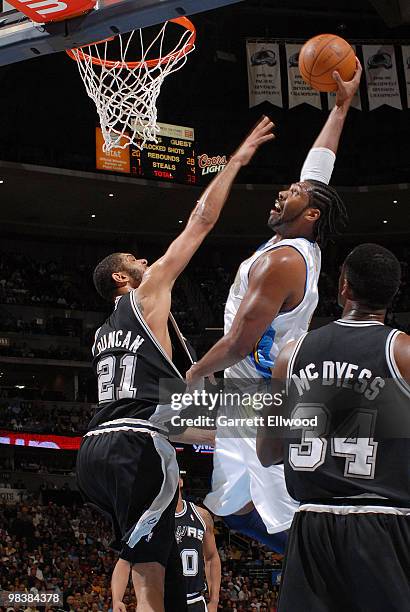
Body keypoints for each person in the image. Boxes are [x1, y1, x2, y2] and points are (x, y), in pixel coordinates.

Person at [75, 116, 275, 612]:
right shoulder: (145, 296)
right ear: (124, 277)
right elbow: (200, 223)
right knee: (151, 589)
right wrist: (235, 162)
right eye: (135, 261)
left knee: (150, 564)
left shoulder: (103, 334)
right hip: (136, 443)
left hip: (96, 450)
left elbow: (171, 405)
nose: (146, 261)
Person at [186, 62, 362, 552]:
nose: (284, 190)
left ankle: (333, 577)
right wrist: (342, 106)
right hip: (247, 394)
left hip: (262, 397)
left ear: (309, 215)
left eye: (295, 193)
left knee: (280, 511)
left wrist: (196, 373)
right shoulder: (299, 241)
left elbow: (242, 340)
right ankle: (313, 571)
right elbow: (318, 169)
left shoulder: (283, 260)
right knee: (229, 504)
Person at [257, 243, 410, 612]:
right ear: (393, 294)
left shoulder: (290, 355)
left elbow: (267, 452)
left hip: (312, 526)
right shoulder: (403, 352)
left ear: (343, 286)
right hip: (384, 525)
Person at [175, 476, 221, 612]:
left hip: (196, 601)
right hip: (164, 599)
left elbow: (212, 558)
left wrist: (214, 601)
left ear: (180, 481)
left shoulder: (202, 515)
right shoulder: (153, 518)